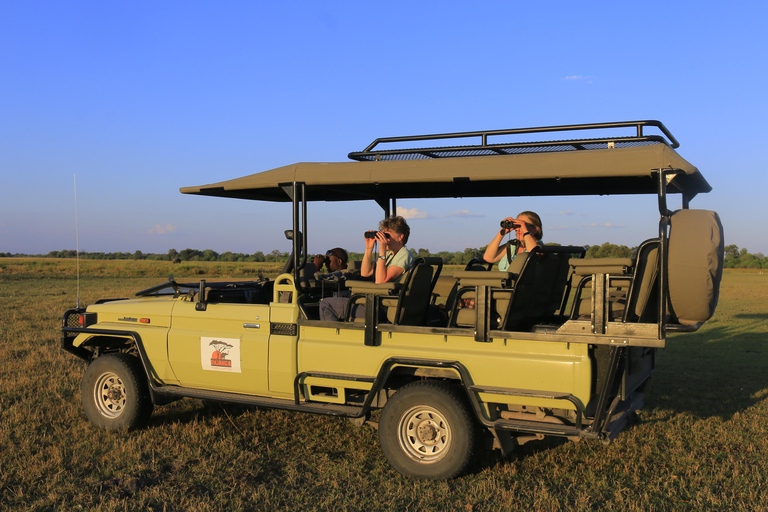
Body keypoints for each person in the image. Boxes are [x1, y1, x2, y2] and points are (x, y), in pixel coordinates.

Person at [319, 216, 414, 322]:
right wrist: (369, 248)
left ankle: (336, 336)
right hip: (381, 304)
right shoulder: (390, 254)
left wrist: (382, 251)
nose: (384, 239)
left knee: (326, 304)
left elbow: (380, 281)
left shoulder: (404, 255)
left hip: (384, 308)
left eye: (387, 235)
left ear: (400, 237)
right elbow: (365, 272)